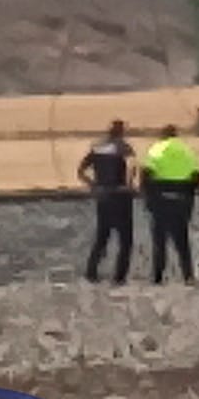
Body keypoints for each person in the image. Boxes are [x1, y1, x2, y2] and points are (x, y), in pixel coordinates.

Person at [141, 124, 199, 285]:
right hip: (181, 200)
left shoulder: (156, 149)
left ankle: (157, 276)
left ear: (162, 135)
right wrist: (188, 195)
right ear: (176, 135)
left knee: (159, 241)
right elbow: (197, 177)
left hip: (160, 199)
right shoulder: (187, 150)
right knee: (182, 240)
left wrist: (148, 199)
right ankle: (188, 275)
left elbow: (146, 175)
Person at [76, 119, 136, 284]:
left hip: (103, 196)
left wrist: (93, 185)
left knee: (102, 236)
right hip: (120, 196)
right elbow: (132, 168)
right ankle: (119, 277)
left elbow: (80, 171)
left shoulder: (97, 147)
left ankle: (91, 272)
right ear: (122, 132)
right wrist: (129, 186)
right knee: (126, 239)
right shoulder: (125, 148)